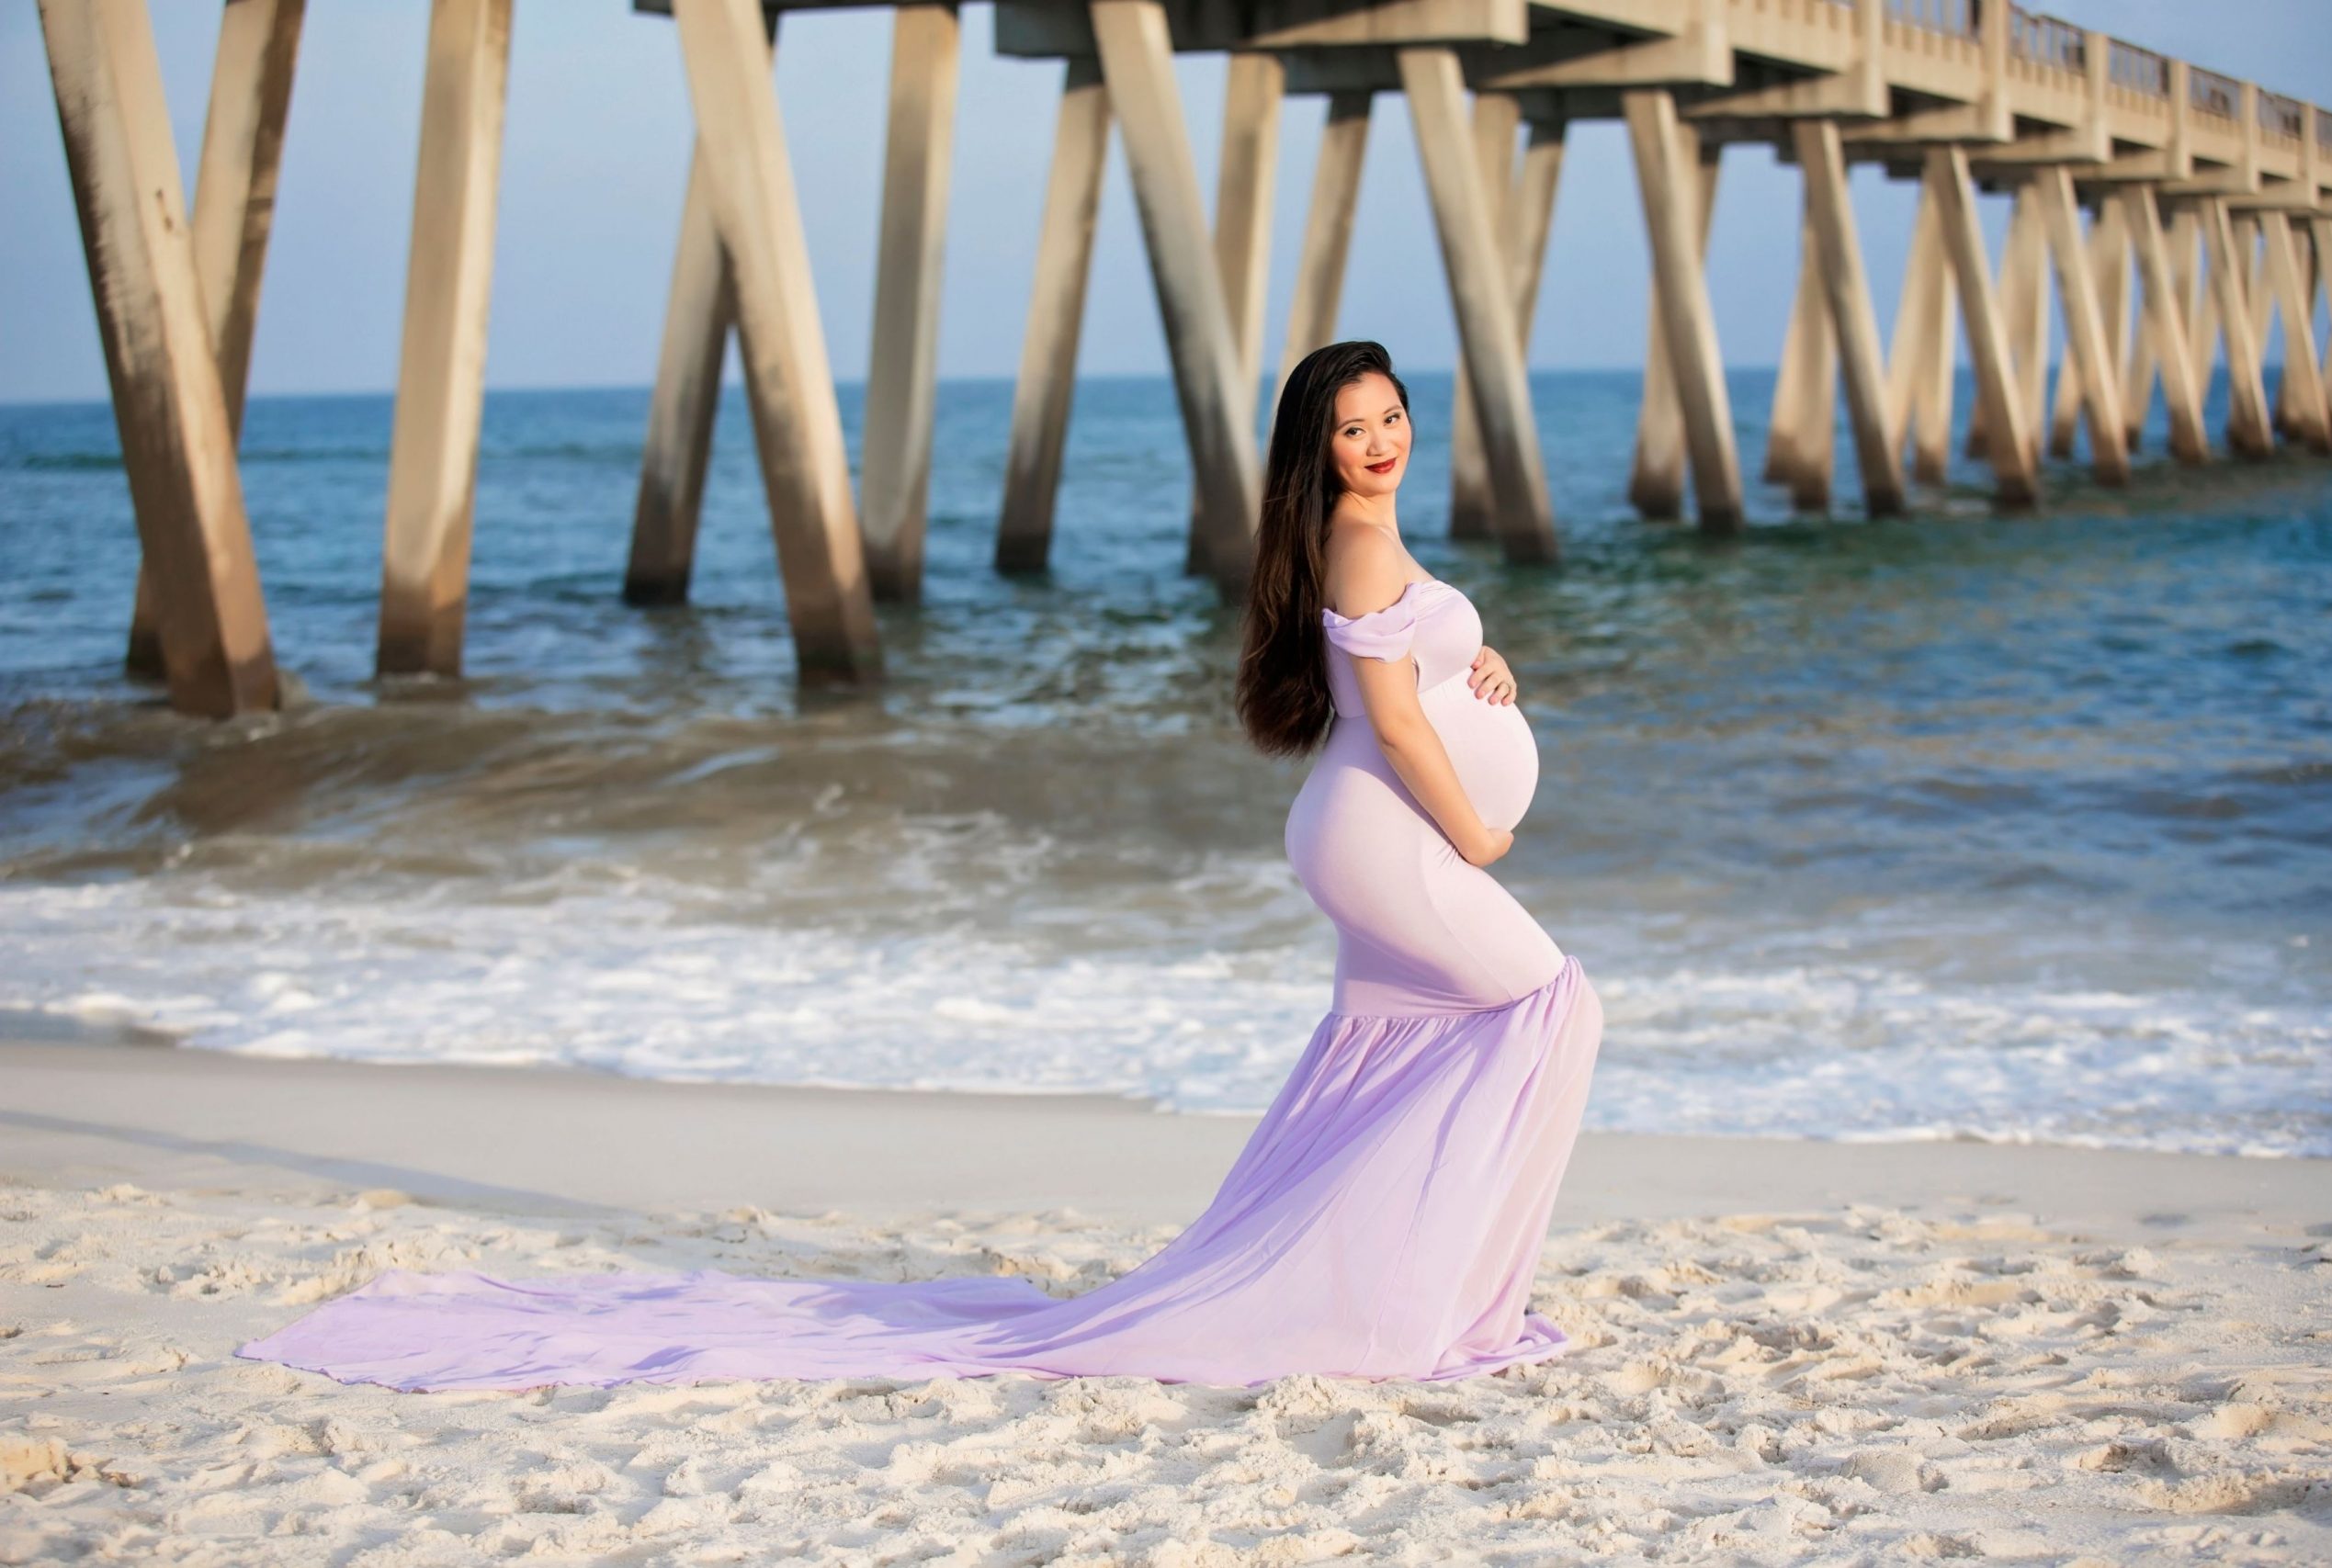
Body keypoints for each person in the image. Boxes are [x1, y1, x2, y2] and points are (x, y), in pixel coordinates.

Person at [233, 339, 1604, 1393]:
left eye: (1389, 416)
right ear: (1317, 446)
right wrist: (1481, 831)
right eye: (1350, 426)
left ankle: (1403, 1295)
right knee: (1555, 1010)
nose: (1377, 441)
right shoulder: (1359, 540)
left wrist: (1488, 658)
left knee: (1391, 1059)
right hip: (1387, 836)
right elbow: (1405, 726)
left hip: (1361, 828)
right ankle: (1441, 1304)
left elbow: (1409, 681)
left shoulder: (1359, 539)